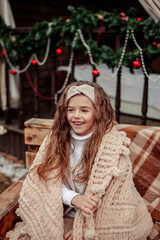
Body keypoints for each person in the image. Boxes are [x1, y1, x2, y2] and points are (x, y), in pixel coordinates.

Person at [7, 81, 153, 240]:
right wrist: (74, 199)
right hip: (66, 208)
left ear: (98, 112)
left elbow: (117, 193)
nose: (76, 116)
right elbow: (46, 182)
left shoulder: (112, 145)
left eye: (84, 110)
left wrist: (83, 225)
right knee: (55, 234)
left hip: (98, 212)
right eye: (71, 110)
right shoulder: (56, 141)